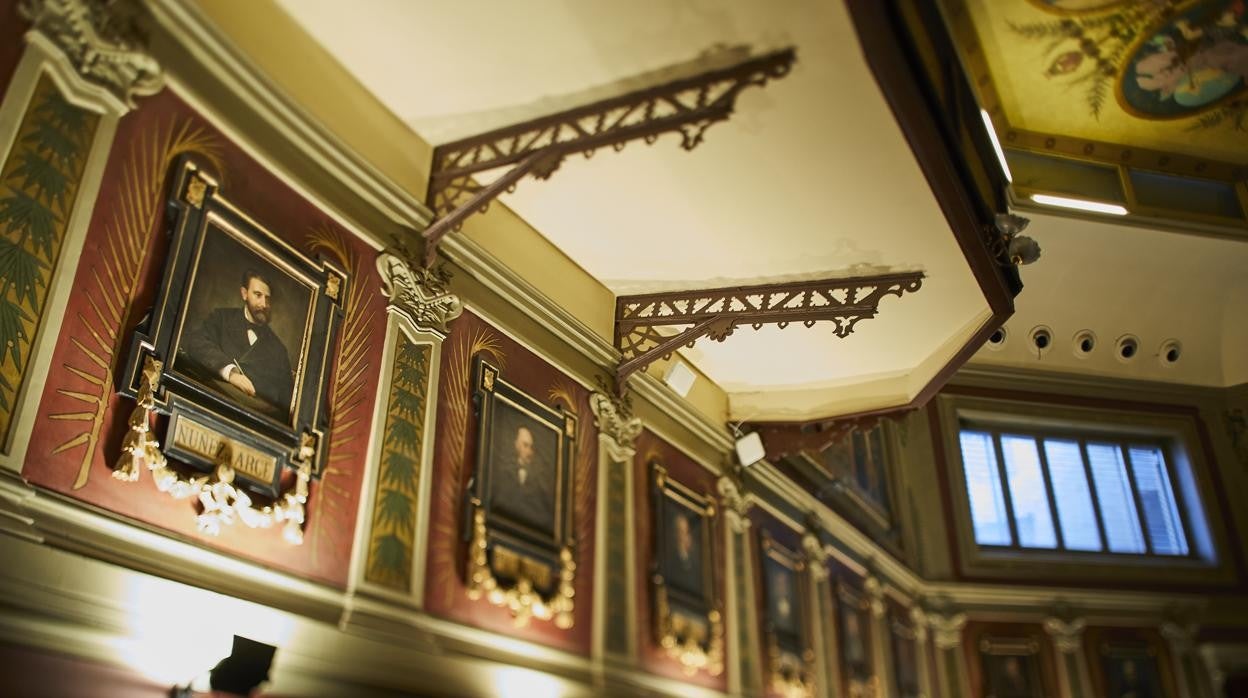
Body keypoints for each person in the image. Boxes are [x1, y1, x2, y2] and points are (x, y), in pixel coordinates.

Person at [183, 270, 294, 419]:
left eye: (268, 298)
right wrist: (231, 373)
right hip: (205, 405)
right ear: (244, 294)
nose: (264, 304)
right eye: (258, 295)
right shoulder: (221, 318)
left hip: (249, 419)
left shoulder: (279, 350)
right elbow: (195, 342)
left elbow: (285, 402)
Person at [490, 422, 556, 534]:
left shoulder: (540, 481)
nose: (529, 452)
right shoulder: (503, 472)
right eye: (525, 445)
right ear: (516, 445)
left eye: (531, 447)